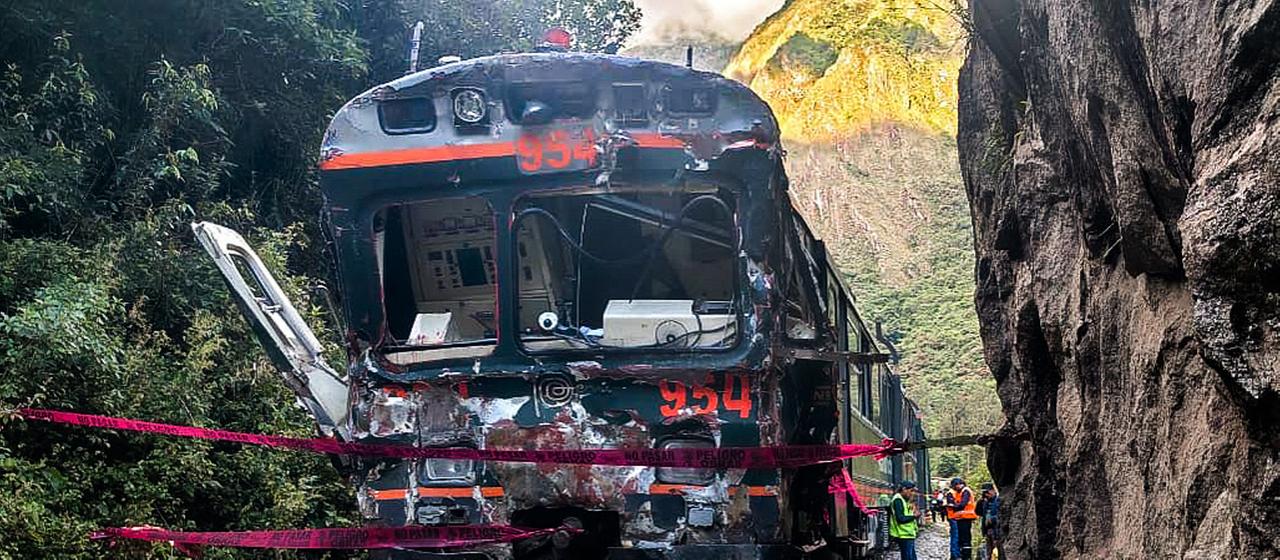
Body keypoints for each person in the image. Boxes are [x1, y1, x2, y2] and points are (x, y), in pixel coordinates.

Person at [945, 477, 978, 560]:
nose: (954, 488)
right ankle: (962, 555)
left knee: (965, 538)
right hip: (961, 518)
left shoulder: (965, 491)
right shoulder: (960, 492)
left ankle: (966, 556)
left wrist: (953, 506)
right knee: (962, 538)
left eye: (955, 486)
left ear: (958, 484)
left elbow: (962, 504)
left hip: (966, 517)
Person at [889, 481, 921, 560]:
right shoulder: (898, 500)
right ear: (904, 489)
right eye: (911, 491)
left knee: (911, 557)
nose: (912, 493)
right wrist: (914, 516)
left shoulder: (903, 500)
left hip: (908, 534)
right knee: (908, 557)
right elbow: (900, 518)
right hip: (903, 534)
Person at [976, 483, 1001, 560]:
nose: (986, 494)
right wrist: (980, 502)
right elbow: (978, 512)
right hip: (987, 530)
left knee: (998, 552)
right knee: (988, 553)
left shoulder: (999, 500)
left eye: (987, 492)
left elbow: (1002, 515)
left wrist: (992, 519)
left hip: (996, 530)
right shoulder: (985, 502)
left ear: (992, 490)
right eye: (984, 493)